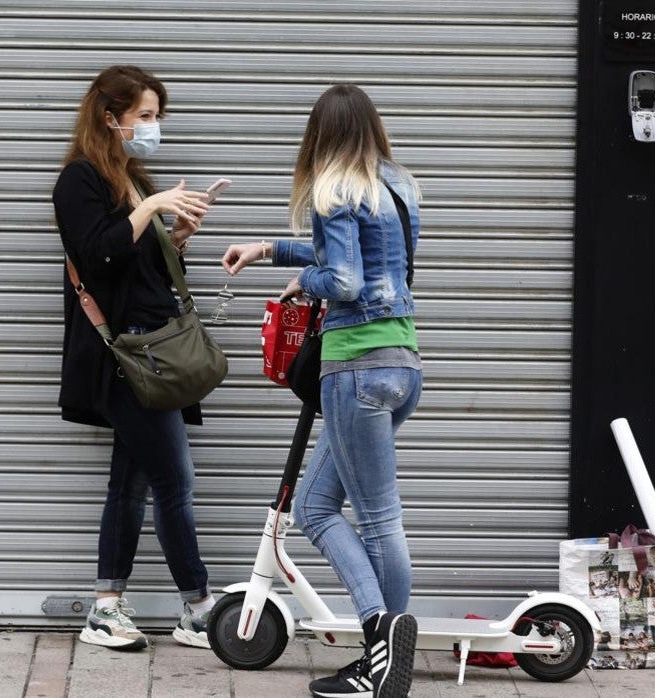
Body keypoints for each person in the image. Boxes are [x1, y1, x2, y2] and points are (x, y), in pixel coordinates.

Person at [222, 84, 423, 698]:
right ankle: (390, 655)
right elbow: (366, 261)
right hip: (402, 363)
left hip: (354, 366)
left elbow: (341, 276)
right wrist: (269, 250)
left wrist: (305, 280)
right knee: (314, 507)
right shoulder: (398, 185)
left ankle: (380, 643)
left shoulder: (333, 187)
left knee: (377, 517)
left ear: (320, 134)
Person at [52, 65, 216, 651]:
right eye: (144, 116)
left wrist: (175, 239)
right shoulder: (80, 181)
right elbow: (97, 256)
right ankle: (198, 607)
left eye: (156, 117)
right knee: (174, 478)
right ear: (109, 118)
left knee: (133, 481)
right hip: (123, 354)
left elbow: (141, 272)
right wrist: (149, 210)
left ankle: (106, 605)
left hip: (153, 350)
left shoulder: (134, 180)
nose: (152, 127)